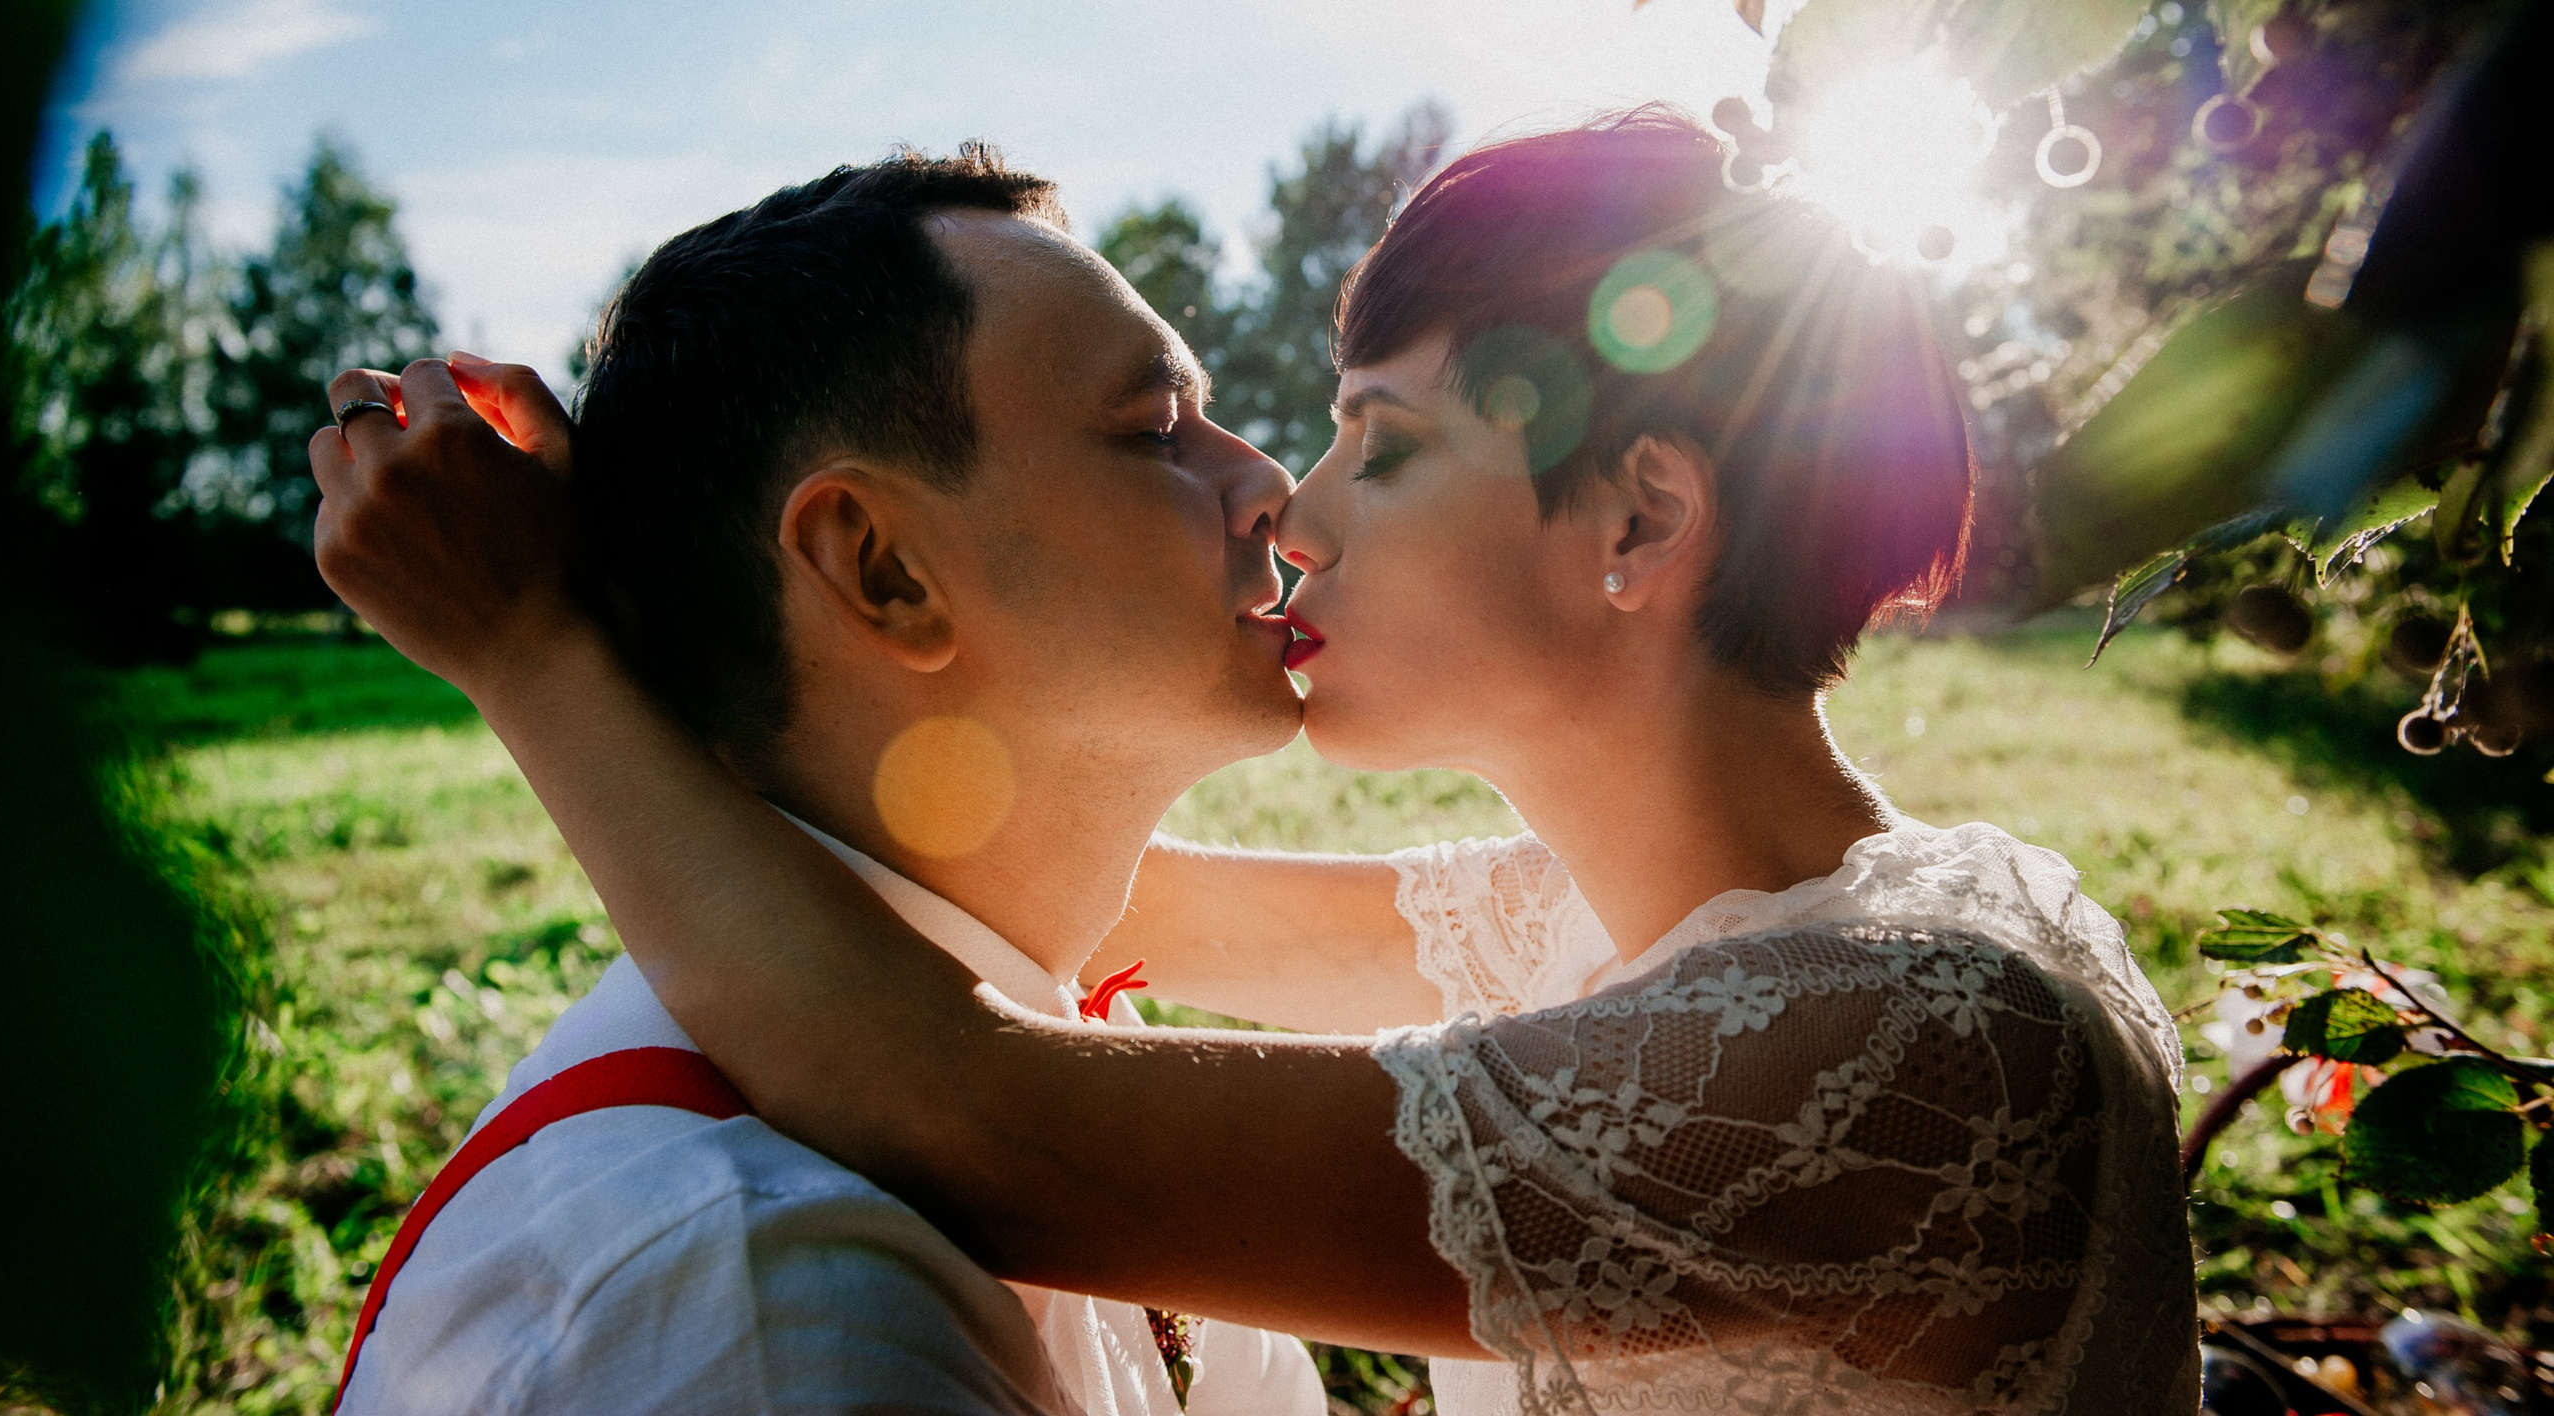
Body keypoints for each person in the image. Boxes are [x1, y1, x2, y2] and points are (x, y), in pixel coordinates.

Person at [317, 112, 2201, 1415]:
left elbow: (978, 1102)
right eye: (1172, 429)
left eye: (1379, 441)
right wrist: (665, 596)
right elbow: (1005, 864)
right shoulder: (1643, 921)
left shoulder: (1910, 1038)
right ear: (878, 561)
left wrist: (538, 653)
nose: (1288, 506)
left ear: (1639, 519)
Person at [320, 149, 1325, 1416]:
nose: (1269, 482)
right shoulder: (762, 1297)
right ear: (883, 570)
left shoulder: (1080, 1079)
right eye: (1153, 430)